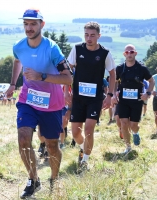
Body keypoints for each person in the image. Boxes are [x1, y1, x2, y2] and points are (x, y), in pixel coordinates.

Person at [5, 8, 72, 199]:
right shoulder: (18, 46)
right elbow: (18, 61)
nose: (29, 27)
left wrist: (41, 76)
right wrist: (12, 83)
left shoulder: (52, 49)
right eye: (26, 24)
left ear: (42, 25)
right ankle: (33, 180)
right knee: (23, 138)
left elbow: (68, 79)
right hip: (28, 100)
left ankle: (54, 177)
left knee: (52, 144)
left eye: (33, 23)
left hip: (52, 103)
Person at [67, 21, 116, 171]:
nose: (89, 38)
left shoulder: (105, 53)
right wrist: (65, 91)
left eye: (92, 35)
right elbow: (68, 71)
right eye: (86, 35)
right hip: (78, 97)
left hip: (95, 98)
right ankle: (84, 147)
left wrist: (109, 95)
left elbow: (112, 74)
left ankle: (85, 161)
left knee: (89, 130)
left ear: (99, 36)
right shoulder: (77, 49)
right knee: (75, 132)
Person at [112, 44, 154, 154]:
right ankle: (128, 147)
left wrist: (148, 93)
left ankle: (135, 133)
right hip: (123, 100)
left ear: (135, 53)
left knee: (133, 125)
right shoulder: (120, 68)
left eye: (131, 52)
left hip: (137, 100)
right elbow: (115, 81)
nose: (129, 54)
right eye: (127, 52)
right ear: (124, 54)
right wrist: (114, 93)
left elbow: (151, 81)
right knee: (124, 123)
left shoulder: (142, 68)